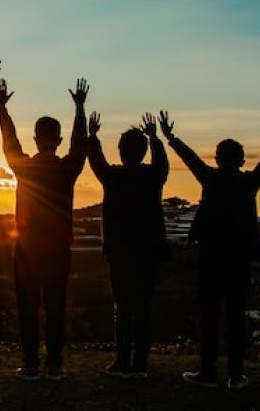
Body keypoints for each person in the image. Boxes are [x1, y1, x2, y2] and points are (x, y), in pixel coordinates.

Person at [161, 112, 260, 390]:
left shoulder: (210, 178)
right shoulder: (248, 183)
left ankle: (207, 372)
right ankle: (236, 374)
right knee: (236, 316)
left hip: (210, 257)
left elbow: (190, 158)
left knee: (208, 316)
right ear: (241, 160)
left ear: (217, 158)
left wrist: (171, 137)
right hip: (239, 259)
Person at [0, 77, 88, 381]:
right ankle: (55, 365)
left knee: (28, 308)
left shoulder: (24, 167)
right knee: (55, 307)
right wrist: (79, 109)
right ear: (58, 139)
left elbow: (10, 142)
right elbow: (81, 146)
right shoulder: (66, 169)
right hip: (58, 248)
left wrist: (2, 110)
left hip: (26, 248)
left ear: (36, 139)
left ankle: (32, 364)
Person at [87, 111, 170, 379]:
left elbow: (96, 161)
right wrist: (155, 138)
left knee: (121, 308)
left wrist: (93, 136)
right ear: (143, 151)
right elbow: (163, 163)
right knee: (144, 307)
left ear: (121, 151)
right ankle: (140, 364)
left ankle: (122, 362)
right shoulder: (153, 176)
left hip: (119, 252)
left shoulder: (113, 177)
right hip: (147, 250)